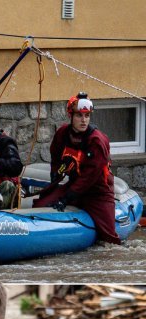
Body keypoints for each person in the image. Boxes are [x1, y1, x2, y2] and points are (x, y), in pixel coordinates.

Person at [34, 93, 121, 244]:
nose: (84, 120)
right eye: (79, 115)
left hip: (98, 192)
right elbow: (55, 156)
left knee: (109, 238)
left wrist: (67, 197)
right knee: (41, 205)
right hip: (73, 186)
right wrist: (55, 173)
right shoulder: (62, 133)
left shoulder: (97, 141)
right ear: (71, 116)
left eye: (87, 116)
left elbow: (90, 176)